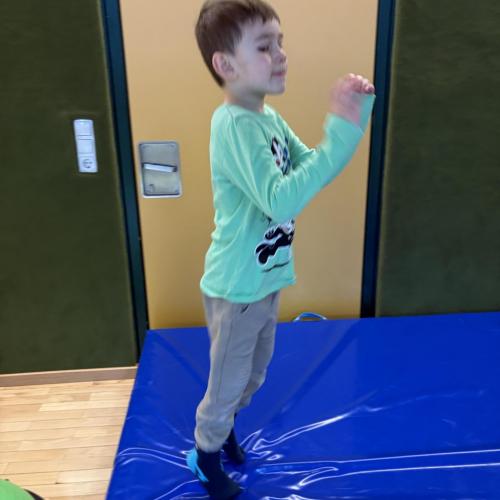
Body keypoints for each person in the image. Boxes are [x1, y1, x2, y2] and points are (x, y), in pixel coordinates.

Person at [188, 0, 375, 497]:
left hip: (265, 279)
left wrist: (349, 124)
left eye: (280, 42)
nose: (281, 54)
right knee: (227, 384)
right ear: (226, 65)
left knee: (253, 376)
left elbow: (312, 166)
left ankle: (225, 426)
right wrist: (342, 129)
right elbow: (281, 198)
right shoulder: (233, 125)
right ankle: (205, 454)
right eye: (264, 46)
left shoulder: (267, 118)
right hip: (236, 286)